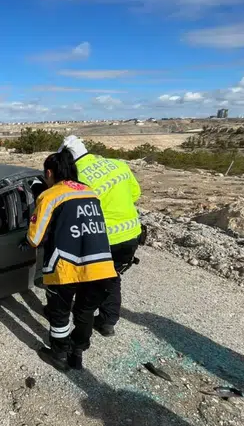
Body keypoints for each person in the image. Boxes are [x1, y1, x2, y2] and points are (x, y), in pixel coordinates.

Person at [24, 149, 118, 370]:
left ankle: (59, 355)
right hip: (101, 267)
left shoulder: (50, 195)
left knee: (60, 315)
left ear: (49, 173)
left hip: (66, 267)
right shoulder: (90, 192)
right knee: (85, 313)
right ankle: (77, 353)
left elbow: (34, 239)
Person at [58, 135, 142, 337]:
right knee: (113, 277)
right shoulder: (118, 165)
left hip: (101, 239)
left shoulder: (76, 178)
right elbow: (135, 194)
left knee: (89, 280)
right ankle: (107, 321)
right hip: (131, 234)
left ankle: (80, 325)